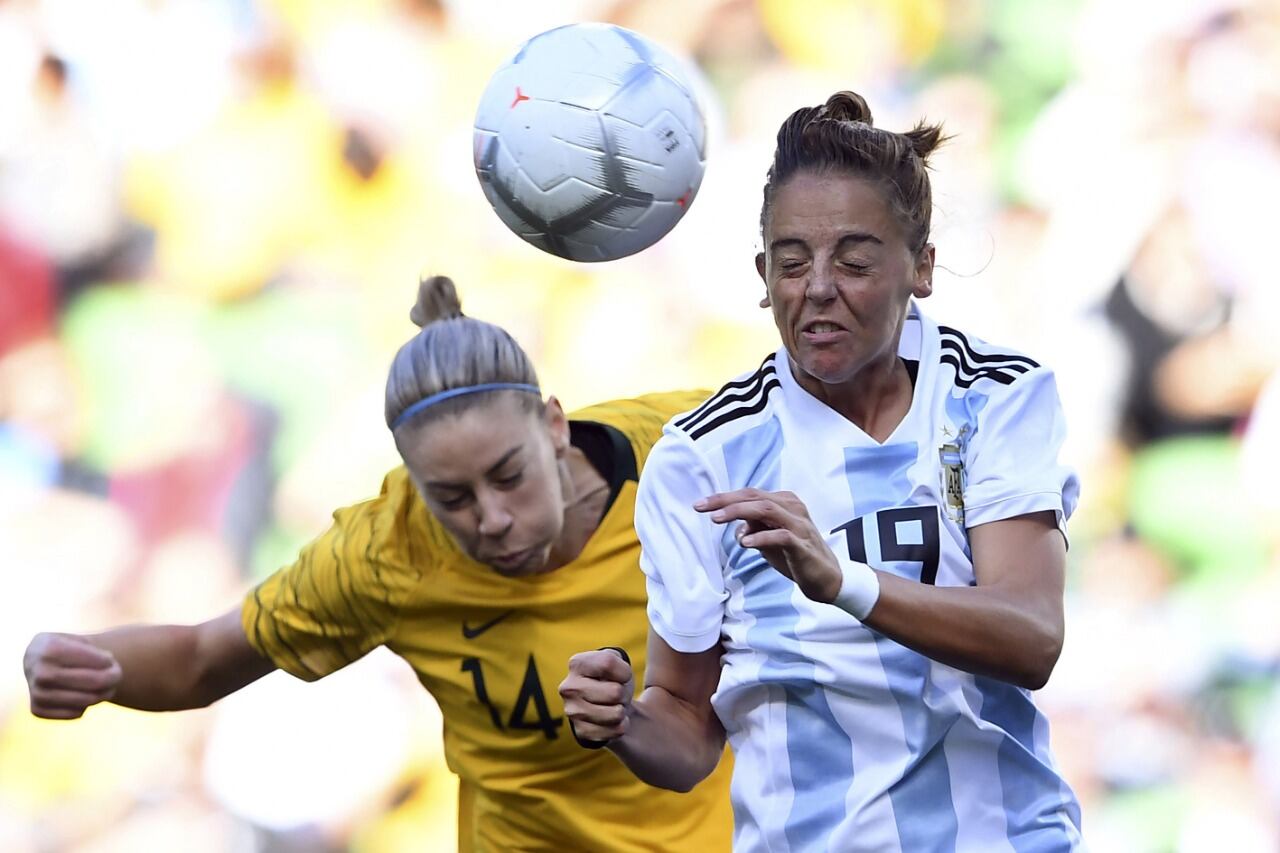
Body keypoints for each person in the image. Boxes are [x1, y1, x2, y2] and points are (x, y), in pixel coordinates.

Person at [23, 275, 734, 852]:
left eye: (508, 474)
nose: (489, 517)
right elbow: (202, 656)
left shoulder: (693, 456)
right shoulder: (386, 555)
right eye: (451, 496)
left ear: (552, 424)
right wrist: (98, 665)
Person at [560, 91, 1086, 851]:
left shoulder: (994, 397)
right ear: (763, 274)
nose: (818, 289)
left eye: (856, 260)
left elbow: (1032, 636)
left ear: (922, 268)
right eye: (792, 261)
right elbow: (686, 728)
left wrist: (840, 580)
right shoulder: (704, 455)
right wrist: (622, 721)